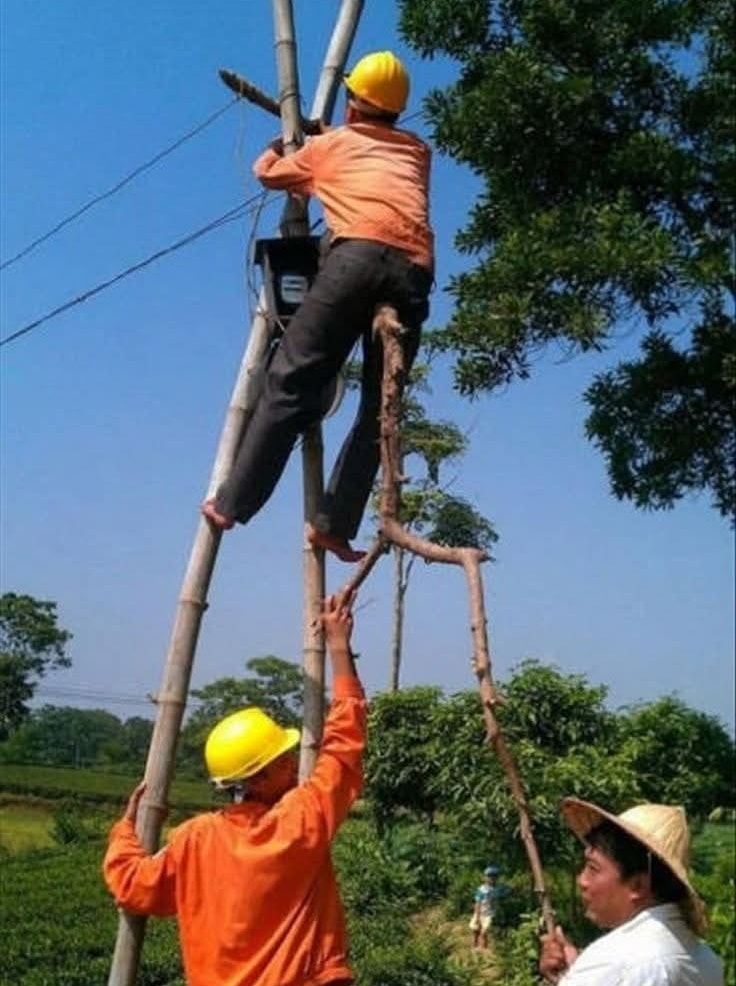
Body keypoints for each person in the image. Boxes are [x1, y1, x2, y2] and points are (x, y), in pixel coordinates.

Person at [202, 50, 434, 562]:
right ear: (397, 111)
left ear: (351, 103)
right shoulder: (418, 151)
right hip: (413, 272)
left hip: (355, 262)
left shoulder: (331, 147)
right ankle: (334, 526)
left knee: (291, 379)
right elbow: (368, 149)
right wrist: (328, 136)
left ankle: (231, 504)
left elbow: (268, 173)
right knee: (381, 409)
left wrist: (283, 145)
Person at [103, 590, 365, 986]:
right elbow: (344, 746)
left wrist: (125, 831)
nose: (294, 763)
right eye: (283, 759)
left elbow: (134, 885)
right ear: (258, 778)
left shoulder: (195, 839)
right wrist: (340, 649)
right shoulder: (298, 822)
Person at [539, 797, 724, 985]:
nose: (582, 881)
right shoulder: (707, 961)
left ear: (638, 886)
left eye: (593, 868)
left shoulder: (613, 962)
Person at [469, 864, 501, 949]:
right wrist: (477, 916)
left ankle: (484, 950)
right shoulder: (481, 890)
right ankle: (474, 948)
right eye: (489, 876)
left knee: (484, 932)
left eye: (494, 877)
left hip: (489, 915)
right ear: (485, 877)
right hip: (479, 913)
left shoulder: (497, 889)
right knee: (475, 931)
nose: (492, 879)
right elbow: (478, 903)